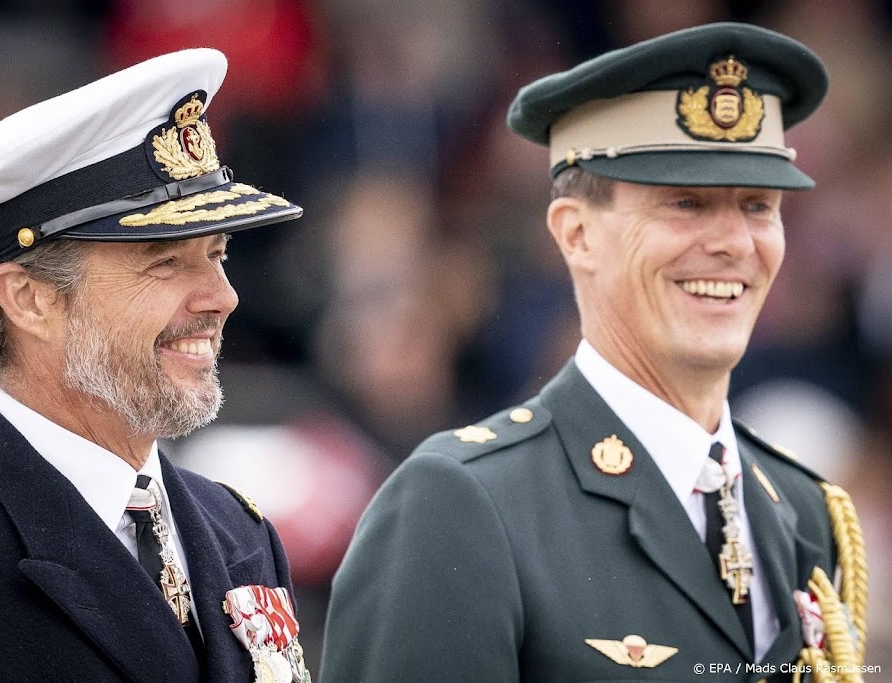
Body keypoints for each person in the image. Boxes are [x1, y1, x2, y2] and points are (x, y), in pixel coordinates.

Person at [321, 23, 869, 681]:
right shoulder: (464, 504)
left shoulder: (805, 510)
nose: (735, 242)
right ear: (577, 234)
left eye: (758, 205)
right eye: (686, 203)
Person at [0, 49, 312, 682]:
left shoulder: (237, 530)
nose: (222, 297)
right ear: (30, 298)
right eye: (165, 262)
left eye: (217, 254)